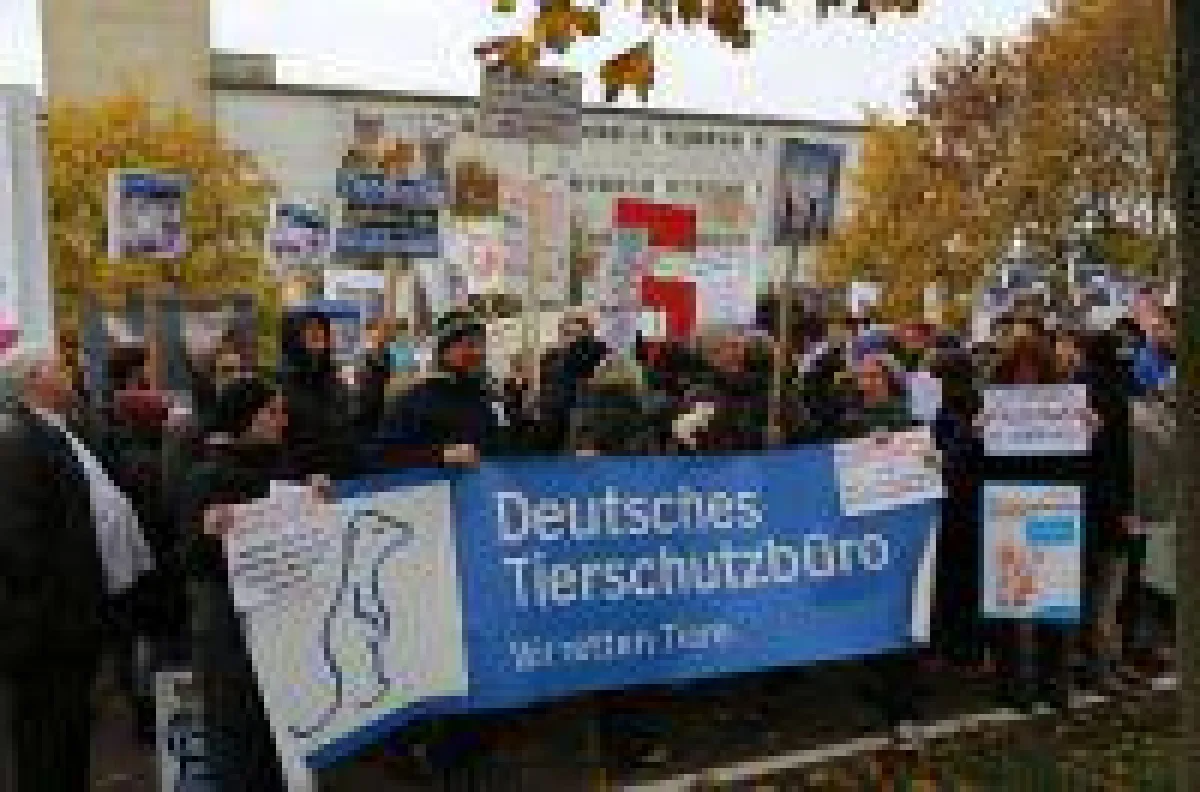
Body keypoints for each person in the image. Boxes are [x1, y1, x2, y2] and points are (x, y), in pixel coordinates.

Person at [0, 346, 155, 791]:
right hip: (49, 630)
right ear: (33, 380)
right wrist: (53, 610)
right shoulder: (18, 440)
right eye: (57, 367)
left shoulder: (55, 430)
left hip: (71, 619)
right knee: (47, 743)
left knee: (68, 736)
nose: (68, 372)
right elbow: (20, 542)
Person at [180, 378, 293, 792]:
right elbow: (191, 558)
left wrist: (316, 501)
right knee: (235, 726)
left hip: (276, 617)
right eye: (272, 412)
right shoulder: (206, 476)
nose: (282, 420)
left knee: (274, 723)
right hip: (227, 625)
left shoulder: (281, 468)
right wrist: (208, 533)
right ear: (245, 418)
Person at [978, 332, 1094, 711]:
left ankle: (1054, 684)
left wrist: (1088, 431)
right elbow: (981, 464)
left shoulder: (1065, 404)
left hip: (1054, 508)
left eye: (1032, 369)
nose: (1025, 377)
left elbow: (1080, 462)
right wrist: (978, 433)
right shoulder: (994, 405)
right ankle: (1016, 687)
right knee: (1013, 603)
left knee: (1054, 603)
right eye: (1018, 370)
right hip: (1009, 510)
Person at [377, 312, 508, 469]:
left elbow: (497, 442)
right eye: (469, 345)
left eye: (481, 345)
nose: (477, 352)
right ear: (445, 351)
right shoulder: (416, 400)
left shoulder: (482, 395)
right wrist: (441, 455)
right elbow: (384, 454)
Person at [279, 311, 355, 478]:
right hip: (303, 477)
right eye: (309, 329)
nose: (317, 333)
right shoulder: (282, 384)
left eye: (322, 329)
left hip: (342, 472)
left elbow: (347, 424)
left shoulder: (334, 378)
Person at [540, 312, 610, 452]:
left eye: (573, 331)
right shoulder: (553, 355)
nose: (568, 335)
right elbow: (548, 380)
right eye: (565, 331)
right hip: (560, 403)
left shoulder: (594, 348)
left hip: (580, 400)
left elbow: (597, 372)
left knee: (578, 435)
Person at [355, 319, 395, 441]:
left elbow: (388, 377)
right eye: (375, 333)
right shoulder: (362, 356)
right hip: (364, 404)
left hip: (380, 402)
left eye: (383, 332)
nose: (380, 336)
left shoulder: (387, 355)